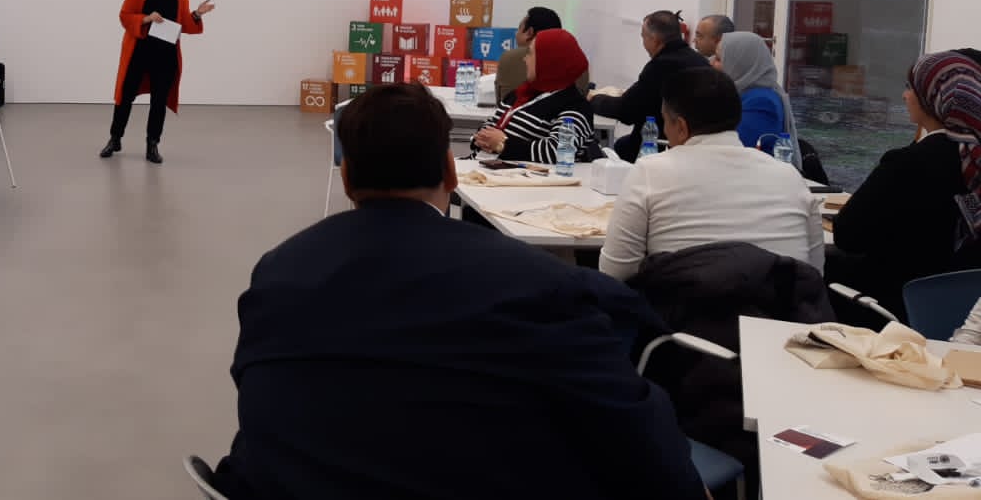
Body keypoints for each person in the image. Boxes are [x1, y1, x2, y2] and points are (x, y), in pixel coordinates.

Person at [208, 83, 706, 500]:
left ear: (347, 177)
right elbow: (636, 433)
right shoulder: (534, 285)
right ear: (450, 171)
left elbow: (259, 399)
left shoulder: (277, 273)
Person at [600, 68, 824, 281]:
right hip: (781, 308)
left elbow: (615, 272)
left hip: (679, 307)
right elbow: (814, 273)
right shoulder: (790, 178)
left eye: (665, 122)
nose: (665, 131)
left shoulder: (650, 172)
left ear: (681, 127)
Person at [828, 50, 981, 322]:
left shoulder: (908, 163)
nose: (904, 96)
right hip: (962, 315)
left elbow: (847, 234)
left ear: (934, 97)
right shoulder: (971, 160)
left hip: (889, 311)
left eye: (911, 87)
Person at [99, 0, 215, 165]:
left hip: (166, 56)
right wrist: (146, 18)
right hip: (139, 53)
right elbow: (125, 16)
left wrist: (197, 14)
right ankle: (115, 139)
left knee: (159, 101)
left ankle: (152, 144)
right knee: (125, 97)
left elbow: (184, 23)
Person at [592, 10, 709, 161]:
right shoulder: (700, 61)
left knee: (620, 147)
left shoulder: (661, 66)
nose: (643, 43)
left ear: (654, 39)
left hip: (658, 145)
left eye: (643, 37)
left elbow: (626, 111)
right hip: (696, 146)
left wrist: (594, 99)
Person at [473, 28, 599, 163]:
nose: (525, 59)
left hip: (521, 174)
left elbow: (558, 151)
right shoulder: (521, 93)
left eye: (531, 54)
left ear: (548, 61)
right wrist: (481, 139)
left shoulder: (575, 107)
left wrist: (503, 145)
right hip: (483, 166)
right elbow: (490, 125)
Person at [714, 31, 796, 157]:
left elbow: (735, 148)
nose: (711, 63)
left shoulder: (762, 102)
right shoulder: (740, 92)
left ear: (739, 64)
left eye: (718, 59)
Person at [493, 6, 590, 100]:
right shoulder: (578, 61)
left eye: (519, 28)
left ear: (529, 33)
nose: (516, 33)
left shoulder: (510, 58)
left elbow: (500, 101)